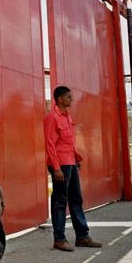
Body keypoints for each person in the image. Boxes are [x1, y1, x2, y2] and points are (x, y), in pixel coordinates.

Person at [44, 85, 101, 252]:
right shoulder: (52, 118)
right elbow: (50, 144)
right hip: (60, 165)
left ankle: (82, 236)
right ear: (60, 99)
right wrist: (56, 168)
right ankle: (59, 239)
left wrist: (76, 157)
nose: (72, 99)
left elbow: (68, 141)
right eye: (69, 97)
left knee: (76, 199)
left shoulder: (67, 116)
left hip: (70, 162)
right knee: (60, 201)